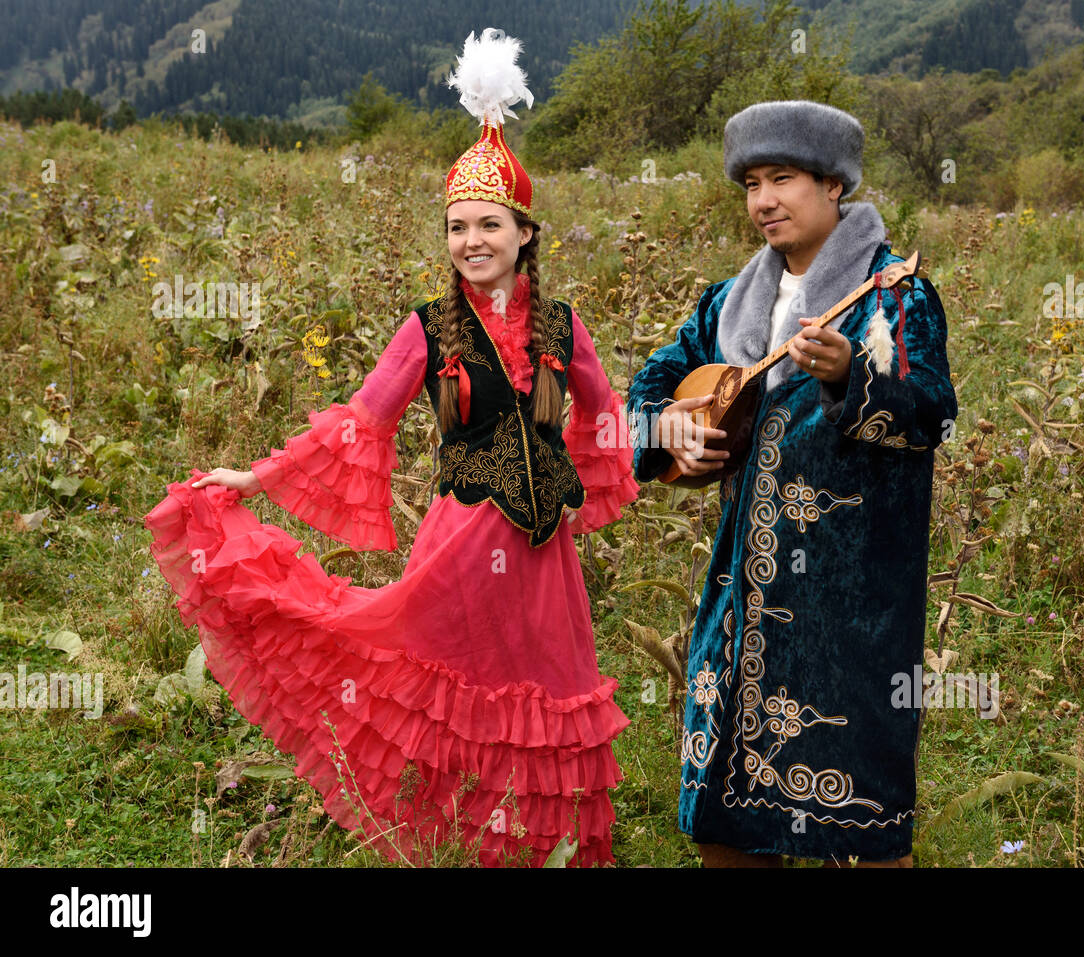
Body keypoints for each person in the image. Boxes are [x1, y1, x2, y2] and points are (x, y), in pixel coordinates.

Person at [144, 28, 639, 867]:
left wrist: (683, 440)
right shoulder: (430, 327)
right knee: (446, 690)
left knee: (546, 696)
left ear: (526, 233)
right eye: (456, 227)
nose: (471, 240)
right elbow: (361, 421)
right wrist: (256, 475)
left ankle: (542, 846)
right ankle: (460, 842)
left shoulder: (562, 326)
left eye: (488, 224)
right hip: (461, 543)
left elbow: (609, 416)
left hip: (546, 562)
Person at [627, 100, 959, 867]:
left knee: (862, 828)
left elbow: (933, 415)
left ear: (834, 185)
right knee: (722, 821)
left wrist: (853, 377)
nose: (764, 200)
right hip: (742, 598)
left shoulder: (893, 295)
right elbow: (644, 396)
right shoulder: (727, 303)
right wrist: (669, 432)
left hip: (853, 609)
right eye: (750, 183)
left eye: (783, 179)